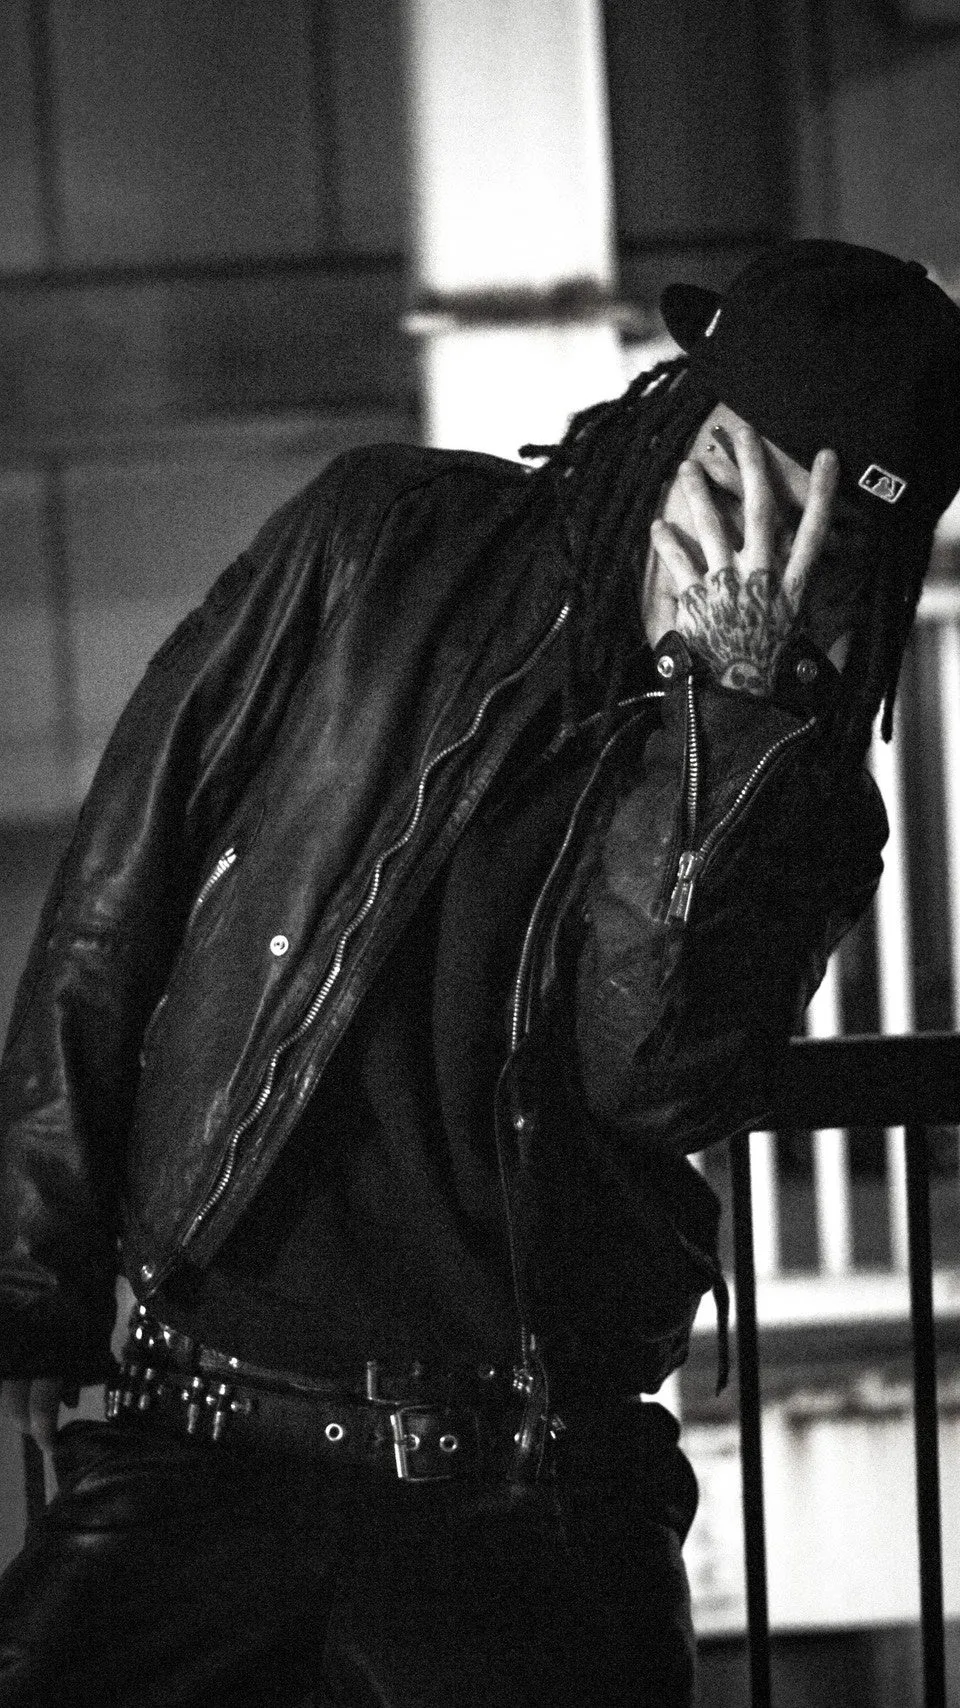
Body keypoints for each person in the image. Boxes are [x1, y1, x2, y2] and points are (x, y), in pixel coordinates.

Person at [0, 239, 958, 1707]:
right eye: (736, 479)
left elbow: (654, 1074)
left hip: (529, 1485)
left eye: (823, 541)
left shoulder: (803, 794)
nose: (758, 549)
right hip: (207, 1425)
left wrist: (719, 722)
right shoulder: (383, 540)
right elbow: (115, 892)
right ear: (673, 427)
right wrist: (29, 1278)